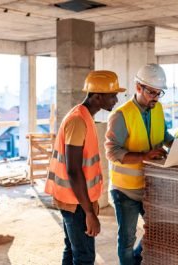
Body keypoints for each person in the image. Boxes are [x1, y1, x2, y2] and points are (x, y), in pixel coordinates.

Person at [44, 70, 126, 265]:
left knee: (73, 251)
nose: (116, 99)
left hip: (76, 199)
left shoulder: (85, 116)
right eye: (112, 95)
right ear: (97, 96)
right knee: (84, 256)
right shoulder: (78, 121)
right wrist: (89, 213)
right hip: (75, 202)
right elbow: (73, 170)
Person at [105, 63, 174, 265]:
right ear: (138, 88)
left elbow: (163, 135)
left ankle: (135, 260)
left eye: (159, 93)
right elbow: (112, 151)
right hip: (125, 189)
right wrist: (144, 156)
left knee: (158, 229)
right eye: (151, 92)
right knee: (127, 239)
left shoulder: (158, 108)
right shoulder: (121, 115)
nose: (155, 97)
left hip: (151, 186)